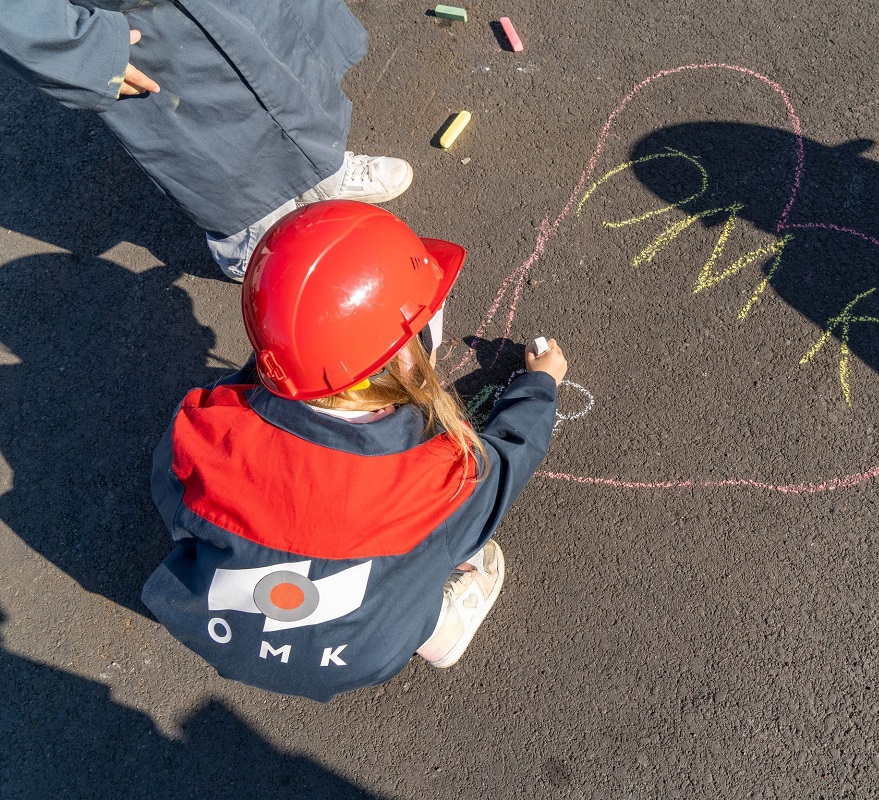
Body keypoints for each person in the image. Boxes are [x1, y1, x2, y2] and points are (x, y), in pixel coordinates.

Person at [141, 200, 567, 701]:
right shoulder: (439, 477)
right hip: (360, 653)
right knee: (451, 538)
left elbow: (169, 496)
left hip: (211, 625)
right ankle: (441, 631)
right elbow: (510, 458)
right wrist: (540, 387)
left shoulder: (203, 430)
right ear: (406, 357)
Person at [0, 1, 412, 280]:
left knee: (280, 60)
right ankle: (252, 239)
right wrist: (74, 48)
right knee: (203, 127)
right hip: (136, 18)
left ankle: (322, 171)